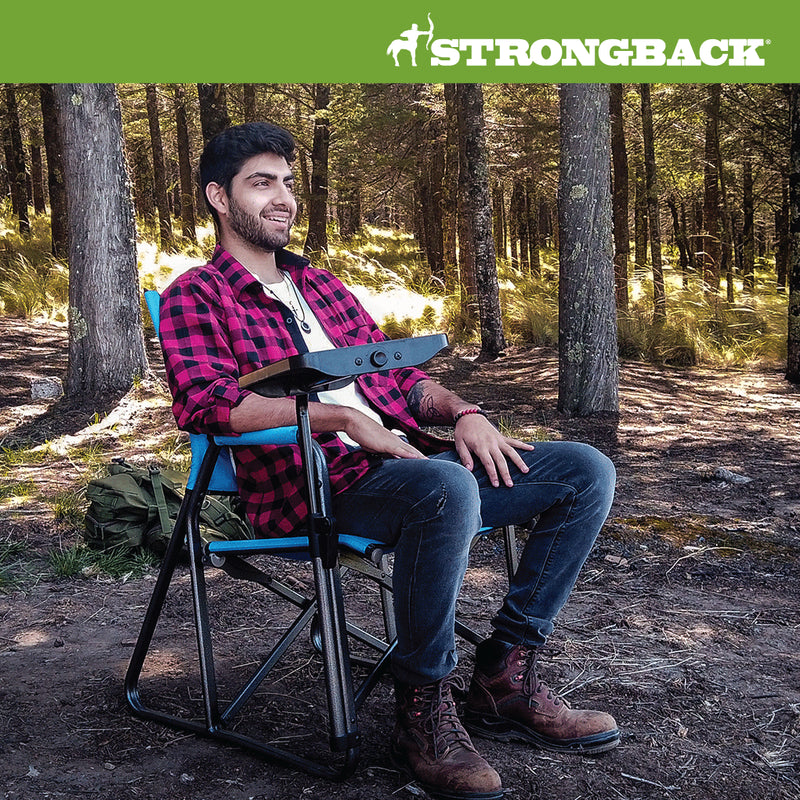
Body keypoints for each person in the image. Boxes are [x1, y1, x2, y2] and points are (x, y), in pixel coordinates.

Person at [159, 122, 619, 800]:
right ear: (219, 198)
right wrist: (341, 419)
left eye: (288, 183)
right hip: (313, 486)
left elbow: (401, 382)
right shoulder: (196, 295)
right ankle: (423, 708)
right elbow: (208, 404)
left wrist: (464, 412)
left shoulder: (326, 291)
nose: (283, 198)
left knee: (583, 470)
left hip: (412, 472)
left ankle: (503, 675)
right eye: (262, 183)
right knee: (444, 487)